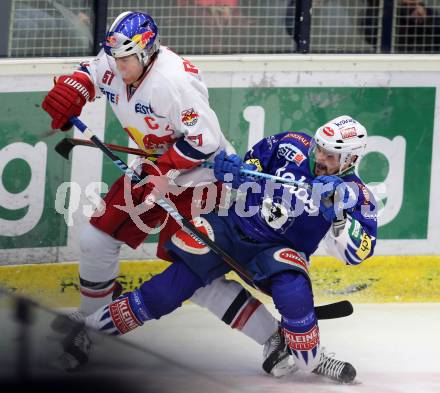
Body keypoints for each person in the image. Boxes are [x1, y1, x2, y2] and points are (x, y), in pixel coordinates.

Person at [41, 11, 291, 376]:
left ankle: (274, 337)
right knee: (96, 239)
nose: (118, 65)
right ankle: (92, 318)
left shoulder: (173, 82)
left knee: (193, 275)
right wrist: (76, 86)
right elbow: (92, 70)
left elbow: (204, 141)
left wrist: (163, 169)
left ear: (145, 53)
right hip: (154, 167)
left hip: (201, 178)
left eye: (126, 59)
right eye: (116, 57)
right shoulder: (116, 58)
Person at [77, 115, 378, 383]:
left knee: (294, 293)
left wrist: (338, 216)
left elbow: (358, 253)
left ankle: (311, 358)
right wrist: (234, 171)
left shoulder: (356, 195)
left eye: (330, 155)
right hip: (232, 227)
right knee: (170, 289)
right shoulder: (292, 145)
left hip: (279, 250)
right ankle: (89, 330)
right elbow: (250, 169)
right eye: (319, 147)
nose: (319, 156)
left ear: (350, 160)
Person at [364, 0, 440, 52]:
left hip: (424, 54)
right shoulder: (389, 12)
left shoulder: (429, 13)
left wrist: (425, 19)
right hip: (395, 54)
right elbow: (371, 37)